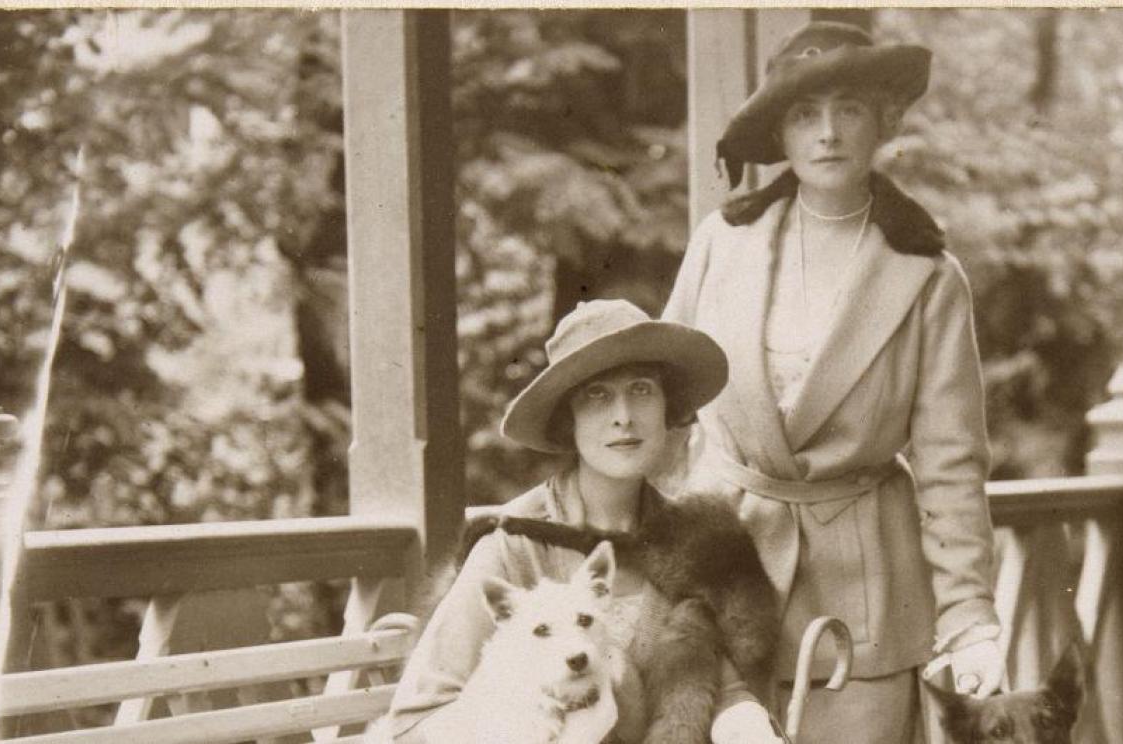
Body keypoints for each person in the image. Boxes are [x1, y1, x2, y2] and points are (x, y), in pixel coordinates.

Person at [661, 20, 1005, 744]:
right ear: (780, 132)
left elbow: (951, 466)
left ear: (885, 119)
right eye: (805, 114)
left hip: (864, 603)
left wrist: (971, 619)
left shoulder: (928, 276)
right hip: (723, 574)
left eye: (848, 109)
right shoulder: (724, 242)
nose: (827, 134)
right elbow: (666, 412)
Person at [385, 299, 783, 744]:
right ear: (567, 419)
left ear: (667, 405)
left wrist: (748, 726)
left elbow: (728, 694)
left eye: (642, 389)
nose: (624, 416)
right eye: (597, 395)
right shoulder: (515, 543)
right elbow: (414, 723)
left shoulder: (693, 539)